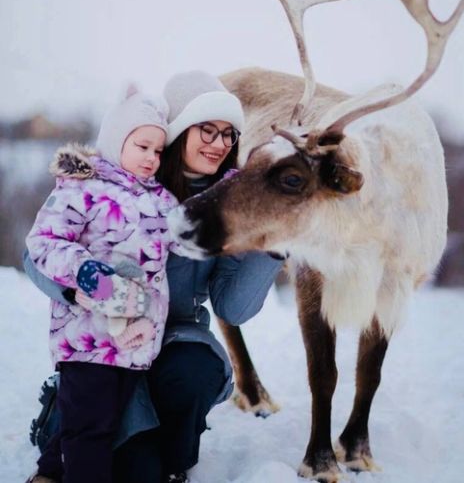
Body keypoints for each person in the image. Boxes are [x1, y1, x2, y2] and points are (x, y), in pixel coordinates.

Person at [24, 71, 284, 483]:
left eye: (229, 134)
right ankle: (62, 424)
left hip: (173, 339)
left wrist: (270, 237)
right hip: (108, 338)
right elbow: (34, 253)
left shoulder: (223, 205)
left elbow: (234, 307)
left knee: (192, 377)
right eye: (208, 130)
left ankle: (169, 461)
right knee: (106, 451)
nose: (220, 144)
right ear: (178, 131)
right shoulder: (129, 178)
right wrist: (88, 292)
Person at [25, 85, 178, 483]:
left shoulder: (162, 199)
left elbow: (191, 230)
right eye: (142, 146)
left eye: (158, 151)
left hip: (135, 343)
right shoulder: (83, 187)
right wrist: (89, 275)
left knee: (96, 423)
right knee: (89, 431)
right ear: (116, 140)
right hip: (86, 339)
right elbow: (44, 241)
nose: (151, 157)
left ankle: (48, 472)